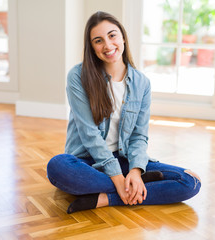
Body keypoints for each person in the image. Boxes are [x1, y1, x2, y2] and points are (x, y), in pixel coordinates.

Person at [47, 11, 201, 214]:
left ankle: (105, 198)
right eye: (98, 40)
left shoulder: (141, 83)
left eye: (112, 36)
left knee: (190, 181)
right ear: (91, 47)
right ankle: (133, 188)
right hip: (87, 161)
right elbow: (89, 134)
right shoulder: (78, 76)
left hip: (125, 159)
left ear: (123, 38)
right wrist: (119, 178)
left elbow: (139, 135)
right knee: (57, 166)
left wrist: (136, 171)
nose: (108, 46)